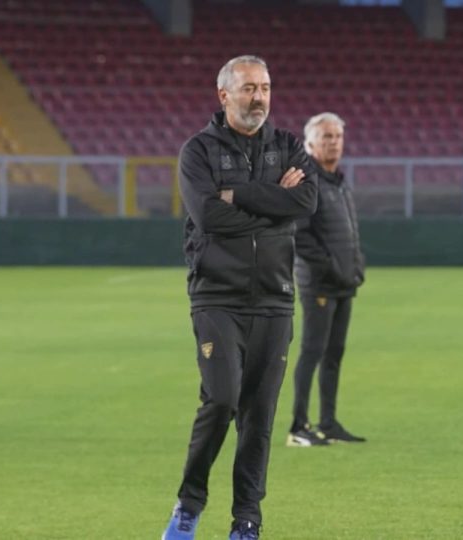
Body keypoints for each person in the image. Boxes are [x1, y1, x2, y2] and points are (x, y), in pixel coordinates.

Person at [162, 55, 318, 540]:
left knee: (260, 416)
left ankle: (247, 522)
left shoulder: (289, 145)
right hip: (217, 296)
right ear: (224, 95)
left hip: (274, 298)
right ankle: (189, 504)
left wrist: (240, 194)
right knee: (222, 399)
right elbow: (209, 218)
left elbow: (305, 204)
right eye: (249, 89)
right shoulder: (198, 152)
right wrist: (273, 201)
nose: (260, 98)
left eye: (266, 88)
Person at [286, 112, 367, 447]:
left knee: (334, 353)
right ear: (309, 144)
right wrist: (331, 267)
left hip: (343, 281)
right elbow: (299, 236)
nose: (334, 142)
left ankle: (328, 422)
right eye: (326, 137)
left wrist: (356, 264)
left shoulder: (339, 181)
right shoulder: (308, 182)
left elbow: (349, 232)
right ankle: (298, 426)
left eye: (337, 136)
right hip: (318, 283)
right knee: (312, 351)